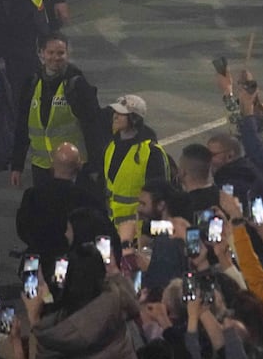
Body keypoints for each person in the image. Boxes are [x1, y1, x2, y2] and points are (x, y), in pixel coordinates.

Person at [10, 33, 104, 188]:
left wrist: (95, 167)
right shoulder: (31, 83)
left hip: (72, 167)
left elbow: (93, 129)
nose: (55, 57)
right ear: (41, 53)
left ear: (68, 54)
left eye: (60, 53)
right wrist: (17, 165)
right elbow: (22, 126)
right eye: (50, 52)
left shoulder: (78, 86)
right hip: (41, 167)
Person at [15, 142, 104, 263]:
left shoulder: (32, 195)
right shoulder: (87, 199)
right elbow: (99, 232)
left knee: (31, 279)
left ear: (52, 166)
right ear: (79, 166)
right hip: (71, 263)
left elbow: (22, 229)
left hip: (36, 260)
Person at [101, 93, 169, 228]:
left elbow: (161, 196)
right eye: (115, 112)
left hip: (137, 232)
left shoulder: (152, 153)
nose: (115, 116)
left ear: (135, 119)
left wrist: (153, 236)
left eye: (121, 114)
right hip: (112, 227)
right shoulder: (111, 146)